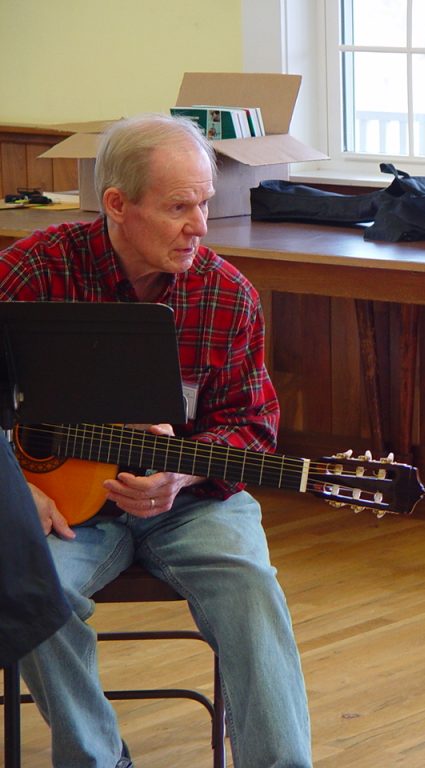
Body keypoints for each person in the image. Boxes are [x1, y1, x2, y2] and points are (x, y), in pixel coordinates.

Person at [0, 114, 313, 767]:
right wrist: (16, 488)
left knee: (252, 588)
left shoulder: (227, 294)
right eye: (178, 207)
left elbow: (253, 427)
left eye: (204, 202)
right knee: (30, 590)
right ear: (117, 205)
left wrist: (183, 475)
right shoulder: (33, 274)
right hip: (59, 509)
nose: (200, 225)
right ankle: (99, 759)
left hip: (191, 502)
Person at [0, 437, 70, 666]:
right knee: (37, 596)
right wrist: (19, 488)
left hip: (179, 512)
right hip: (59, 519)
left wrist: (184, 476)